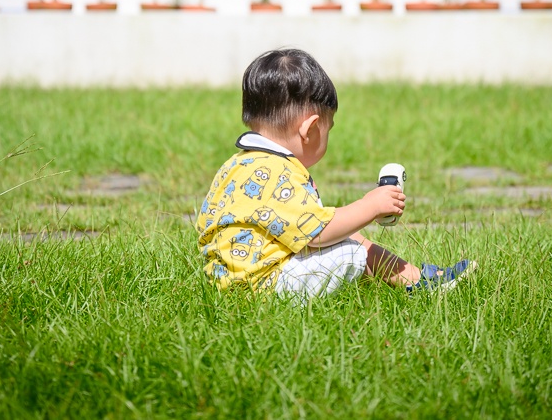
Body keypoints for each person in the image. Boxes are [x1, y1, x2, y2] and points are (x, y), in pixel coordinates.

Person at [195, 48, 476, 299]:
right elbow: (318, 234)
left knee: (352, 239)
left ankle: (417, 280)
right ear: (311, 129)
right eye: (329, 128)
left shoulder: (237, 164)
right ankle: (423, 285)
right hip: (265, 287)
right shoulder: (278, 172)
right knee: (353, 251)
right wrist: (371, 205)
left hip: (228, 282)